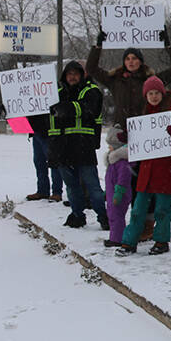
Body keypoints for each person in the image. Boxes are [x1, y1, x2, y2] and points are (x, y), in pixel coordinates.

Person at [116, 76, 171, 255]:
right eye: (150, 93)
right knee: (138, 209)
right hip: (146, 171)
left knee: (162, 209)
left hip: (165, 170)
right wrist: (127, 137)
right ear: (146, 96)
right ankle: (129, 241)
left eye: (156, 93)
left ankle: (161, 240)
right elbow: (138, 138)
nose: (154, 96)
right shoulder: (143, 114)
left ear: (162, 93)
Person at [47, 60, 108, 231]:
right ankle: (77, 216)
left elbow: (88, 109)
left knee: (93, 187)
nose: (72, 77)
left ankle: (103, 217)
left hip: (83, 147)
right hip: (62, 149)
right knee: (72, 188)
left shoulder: (91, 91)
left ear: (82, 75)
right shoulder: (56, 93)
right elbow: (43, 117)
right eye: (69, 74)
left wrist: (64, 108)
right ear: (64, 76)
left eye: (76, 74)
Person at [85, 29, 171, 125]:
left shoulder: (152, 80)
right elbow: (91, 68)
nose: (131, 61)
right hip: (120, 130)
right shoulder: (115, 79)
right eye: (127, 59)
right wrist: (98, 47)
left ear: (140, 61)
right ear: (124, 62)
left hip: (145, 130)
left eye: (134, 58)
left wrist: (168, 46)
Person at [103, 126, 133, 248]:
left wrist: (119, 193)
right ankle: (114, 236)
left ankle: (117, 238)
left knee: (117, 215)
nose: (109, 148)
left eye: (111, 145)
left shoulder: (122, 162)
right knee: (112, 214)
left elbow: (123, 180)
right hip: (112, 193)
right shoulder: (113, 160)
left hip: (119, 194)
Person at [25, 122, 63, 202]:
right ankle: (43, 191)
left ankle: (56, 192)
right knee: (39, 162)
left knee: (53, 162)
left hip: (48, 131)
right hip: (36, 130)